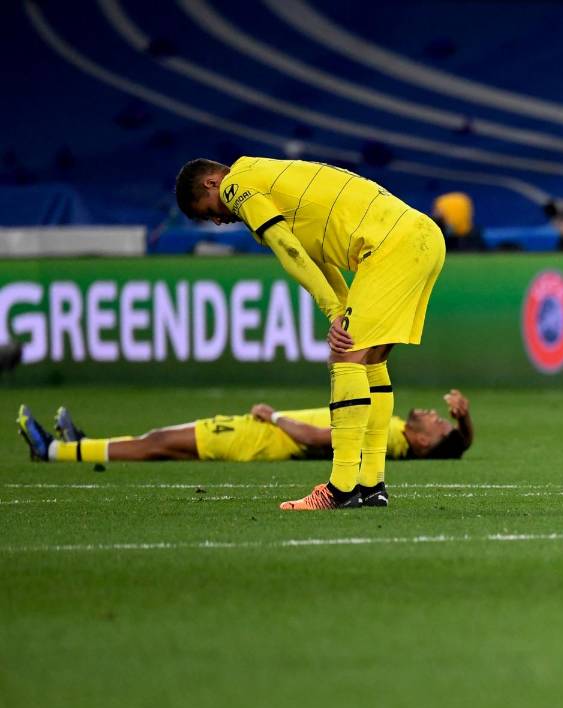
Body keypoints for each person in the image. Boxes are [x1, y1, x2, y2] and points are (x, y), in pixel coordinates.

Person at [174, 157, 446, 510]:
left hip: (391, 246)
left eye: (207, 210)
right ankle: (371, 485)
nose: (216, 219)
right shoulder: (271, 180)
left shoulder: (236, 185)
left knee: (344, 356)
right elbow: (316, 257)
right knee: (370, 360)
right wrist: (342, 307)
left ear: (212, 184)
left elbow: (287, 250)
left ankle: (341, 488)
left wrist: (335, 313)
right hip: (421, 237)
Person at [15, 390, 472, 471]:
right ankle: (76, 447)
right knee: (159, 442)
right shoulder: (395, 432)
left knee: (157, 444)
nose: (433, 414)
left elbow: (318, 439)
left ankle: (54, 451)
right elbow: (458, 448)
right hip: (260, 437)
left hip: (258, 437)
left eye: (435, 421)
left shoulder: (384, 439)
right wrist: (463, 421)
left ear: (421, 441)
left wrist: (273, 418)